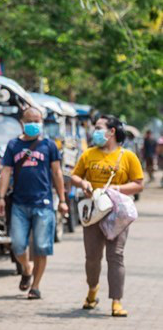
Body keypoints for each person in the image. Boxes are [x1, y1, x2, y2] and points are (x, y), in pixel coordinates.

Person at [71, 115, 144, 317]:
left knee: (116, 256)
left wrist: (117, 188)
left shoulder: (127, 156)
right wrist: (83, 184)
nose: (95, 131)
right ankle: (92, 289)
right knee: (92, 258)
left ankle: (116, 301)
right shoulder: (88, 155)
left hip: (117, 214)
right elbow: (75, 176)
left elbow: (139, 183)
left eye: (99, 127)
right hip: (94, 212)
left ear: (112, 131)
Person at [0, 107, 67, 299]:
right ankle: (27, 268)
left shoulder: (49, 145)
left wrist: (62, 200)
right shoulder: (13, 145)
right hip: (19, 203)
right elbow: (6, 171)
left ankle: (35, 287)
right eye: (30, 120)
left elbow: (57, 172)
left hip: (43, 204)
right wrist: (1, 197)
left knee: (42, 247)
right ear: (22, 122)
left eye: (37, 120)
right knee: (18, 245)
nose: (34, 124)